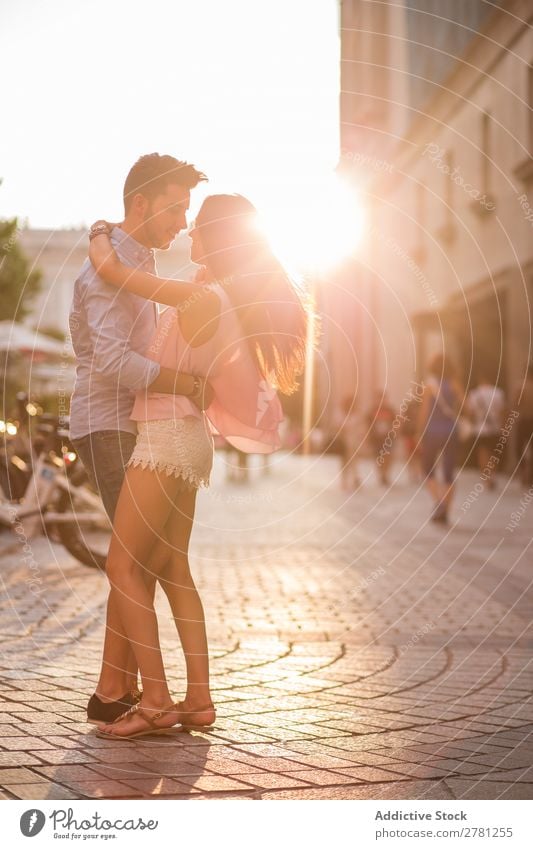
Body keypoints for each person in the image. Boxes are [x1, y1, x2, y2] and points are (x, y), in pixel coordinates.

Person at [86, 193, 308, 739]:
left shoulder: (201, 295)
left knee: (121, 567)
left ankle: (156, 700)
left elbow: (111, 269)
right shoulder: (222, 296)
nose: (189, 235)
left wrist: (98, 230)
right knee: (172, 570)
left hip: (165, 439)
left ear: (218, 239)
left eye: (199, 227)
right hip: (186, 438)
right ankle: (199, 699)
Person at [69, 153, 209, 726]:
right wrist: (180, 382)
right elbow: (108, 358)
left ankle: (112, 687)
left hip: (140, 425)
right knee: (135, 562)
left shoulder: (136, 261)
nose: (181, 221)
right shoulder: (102, 274)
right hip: (110, 425)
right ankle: (128, 690)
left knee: (139, 561)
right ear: (141, 203)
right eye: (176, 208)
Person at [418, 353, 464, 524]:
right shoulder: (454, 384)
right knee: (448, 471)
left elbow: (424, 413)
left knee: (427, 469)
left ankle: (440, 502)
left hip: (432, 432)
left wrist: (419, 432)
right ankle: (445, 509)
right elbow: (465, 406)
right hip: (451, 431)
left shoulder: (429, 386)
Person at [466, 373, 505, 489]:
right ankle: (493, 476)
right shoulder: (498, 392)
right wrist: (503, 427)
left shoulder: (474, 394)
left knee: (482, 453)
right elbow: (502, 411)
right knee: (494, 453)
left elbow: (470, 413)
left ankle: (486, 479)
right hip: (495, 428)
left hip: (480, 429)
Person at [335, 394, 364, 491]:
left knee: (354, 460)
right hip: (344, 441)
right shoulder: (341, 413)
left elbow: (360, 427)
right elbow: (339, 427)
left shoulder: (356, 414)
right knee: (345, 462)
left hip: (354, 440)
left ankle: (355, 478)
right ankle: (345, 481)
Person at [366, 390, 395, 485]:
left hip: (388, 438)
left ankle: (385, 474)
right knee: (378, 457)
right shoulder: (372, 411)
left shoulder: (390, 411)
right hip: (376, 439)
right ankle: (381, 474)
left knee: (388, 456)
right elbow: (367, 425)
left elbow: (396, 424)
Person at [512, 363, 533, 486]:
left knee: (519, 448)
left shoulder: (520, 386)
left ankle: (524, 474)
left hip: (523, 420)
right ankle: (530, 476)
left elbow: (515, 404)